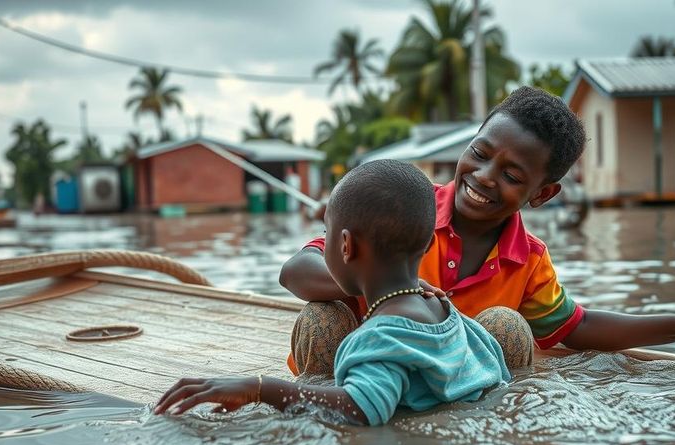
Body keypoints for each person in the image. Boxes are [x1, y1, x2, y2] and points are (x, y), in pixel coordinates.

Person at [280, 86, 675, 375]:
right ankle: (329, 421)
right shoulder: (408, 206)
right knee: (321, 316)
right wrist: (397, 287)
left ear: (542, 195)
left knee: (509, 328)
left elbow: (576, 327)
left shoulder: (528, 259)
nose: (484, 177)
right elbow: (296, 271)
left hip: (450, 383)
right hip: (363, 370)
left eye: (513, 175)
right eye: (479, 153)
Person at [154, 160, 511, 425]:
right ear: (427, 242)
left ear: (344, 245)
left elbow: (361, 407)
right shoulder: (453, 318)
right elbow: (498, 376)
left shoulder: (379, 337)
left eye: (326, 231)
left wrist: (259, 387)